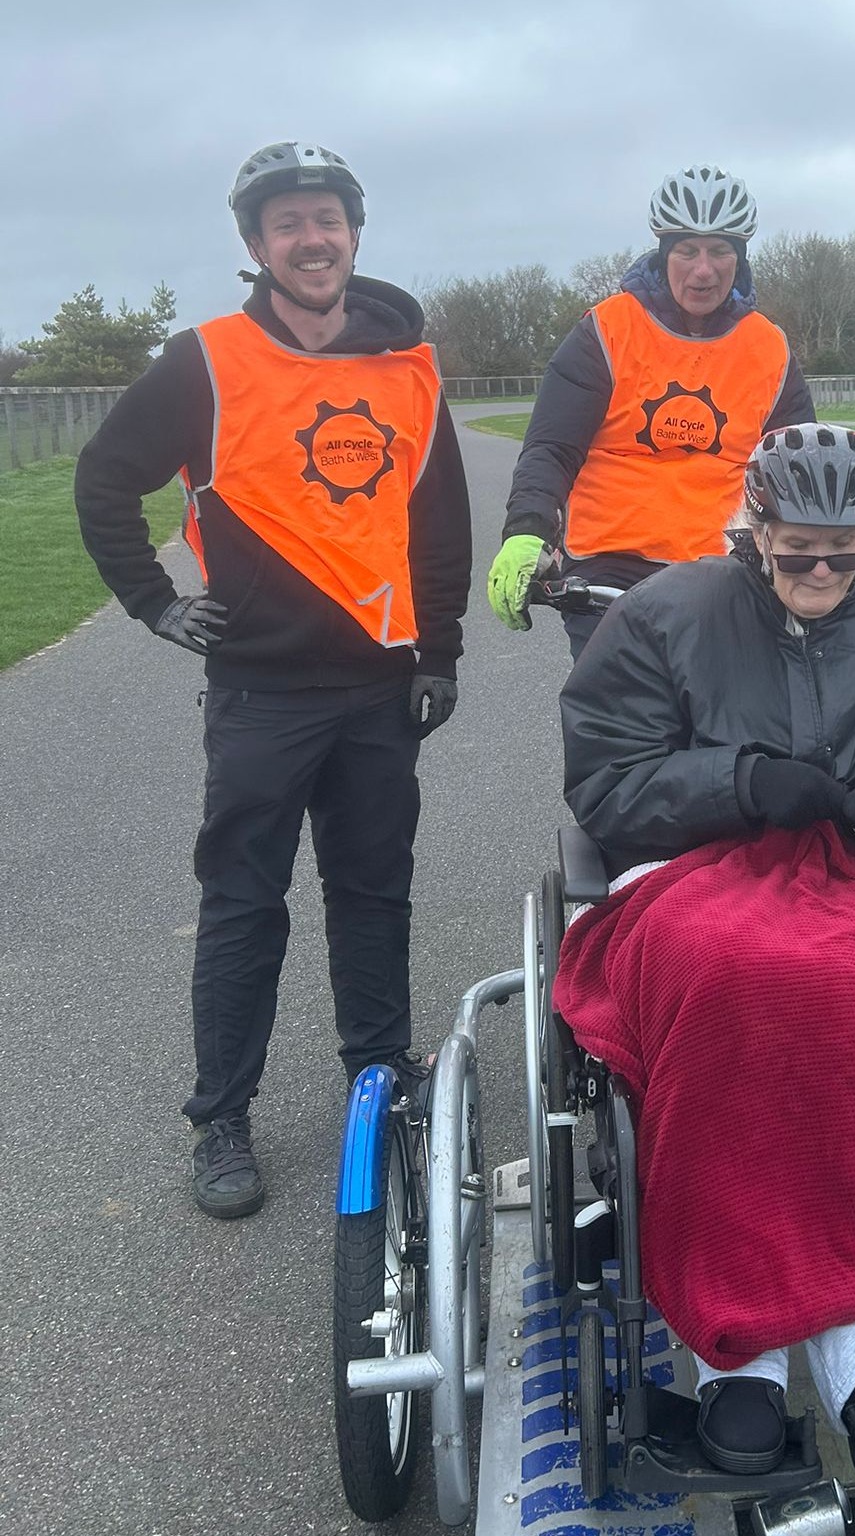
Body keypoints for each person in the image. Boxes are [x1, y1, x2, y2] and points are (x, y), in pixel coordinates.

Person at [553, 425, 855, 1477]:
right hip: (693, 868)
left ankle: (843, 1345)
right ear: (754, 527)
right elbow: (605, 784)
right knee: (745, 976)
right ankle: (767, 1354)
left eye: (845, 554)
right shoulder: (660, 614)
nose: (822, 573)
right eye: (799, 550)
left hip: (853, 866)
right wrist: (743, 784)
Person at [75, 141, 473, 1218]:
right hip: (259, 691)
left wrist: (439, 650)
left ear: (354, 233)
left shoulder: (410, 365)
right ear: (256, 247)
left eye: (327, 218)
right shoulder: (202, 359)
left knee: (373, 893)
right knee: (244, 904)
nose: (312, 238)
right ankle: (222, 1118)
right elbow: (106, 478)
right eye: (287, 223)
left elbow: (437, 523)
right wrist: (153, 602)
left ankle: (381, 1080)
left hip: (380, 687)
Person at [486, 162, 814, 658]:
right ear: (663, 253)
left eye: (720, 250)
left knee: (734, 727)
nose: (703, 269)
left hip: (724, 571)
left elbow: (798, 465)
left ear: (740, 256)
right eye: (686, 250)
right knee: (613, 726)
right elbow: (552, 448)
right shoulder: (607, 329)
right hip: (610, 571)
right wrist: (527, 531)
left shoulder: (769, 347)